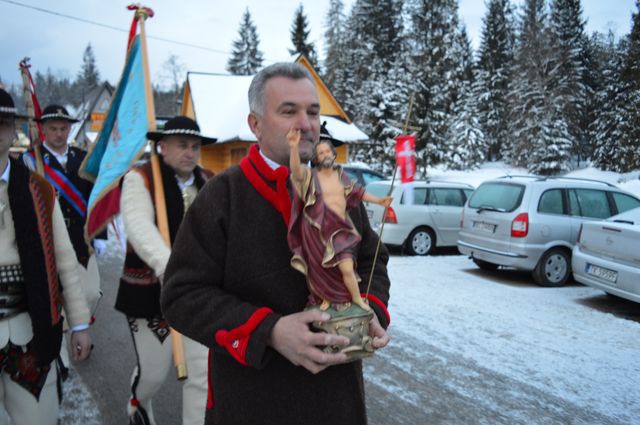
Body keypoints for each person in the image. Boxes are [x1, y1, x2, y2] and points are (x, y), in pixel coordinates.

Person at [161, 62, 391, 425]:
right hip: (252, 401)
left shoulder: (338, 188)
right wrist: (268, 331)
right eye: (289, 111)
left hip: (336, 401)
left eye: (313, 112)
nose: (306, 123)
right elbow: (181, 296)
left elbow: (371, 260)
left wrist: (372, 308)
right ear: (255, 125)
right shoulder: (222, 195)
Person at [116, 116, 216, 425]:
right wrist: (170, 267)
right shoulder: (141, 178)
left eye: (195, 146)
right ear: (163, 146)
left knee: (202, 374)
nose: (190, 152)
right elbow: (138, 227)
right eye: (182, 145)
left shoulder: (210, 181)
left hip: (199, 296)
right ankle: (139, 404)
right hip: (150, 294)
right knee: (153, 373)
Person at [0, 88, 92, 424]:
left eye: (2, 123)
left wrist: (79, 323)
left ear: (13, 130)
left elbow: (63, 261)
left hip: (30, 331)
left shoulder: (38, 188)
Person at [287, 128, 392, 312]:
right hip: (318, 230)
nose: (326, 154)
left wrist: (379, 200)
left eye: (328, 150)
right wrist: (294, 148)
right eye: (321, 152)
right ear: (316, 157)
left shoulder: (341, 177)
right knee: (320, 270)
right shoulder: (310, 179)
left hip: (341, 229)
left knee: (346, 267)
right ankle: (323, 297)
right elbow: (296, 171)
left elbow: (357, 192)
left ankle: (357, 299)